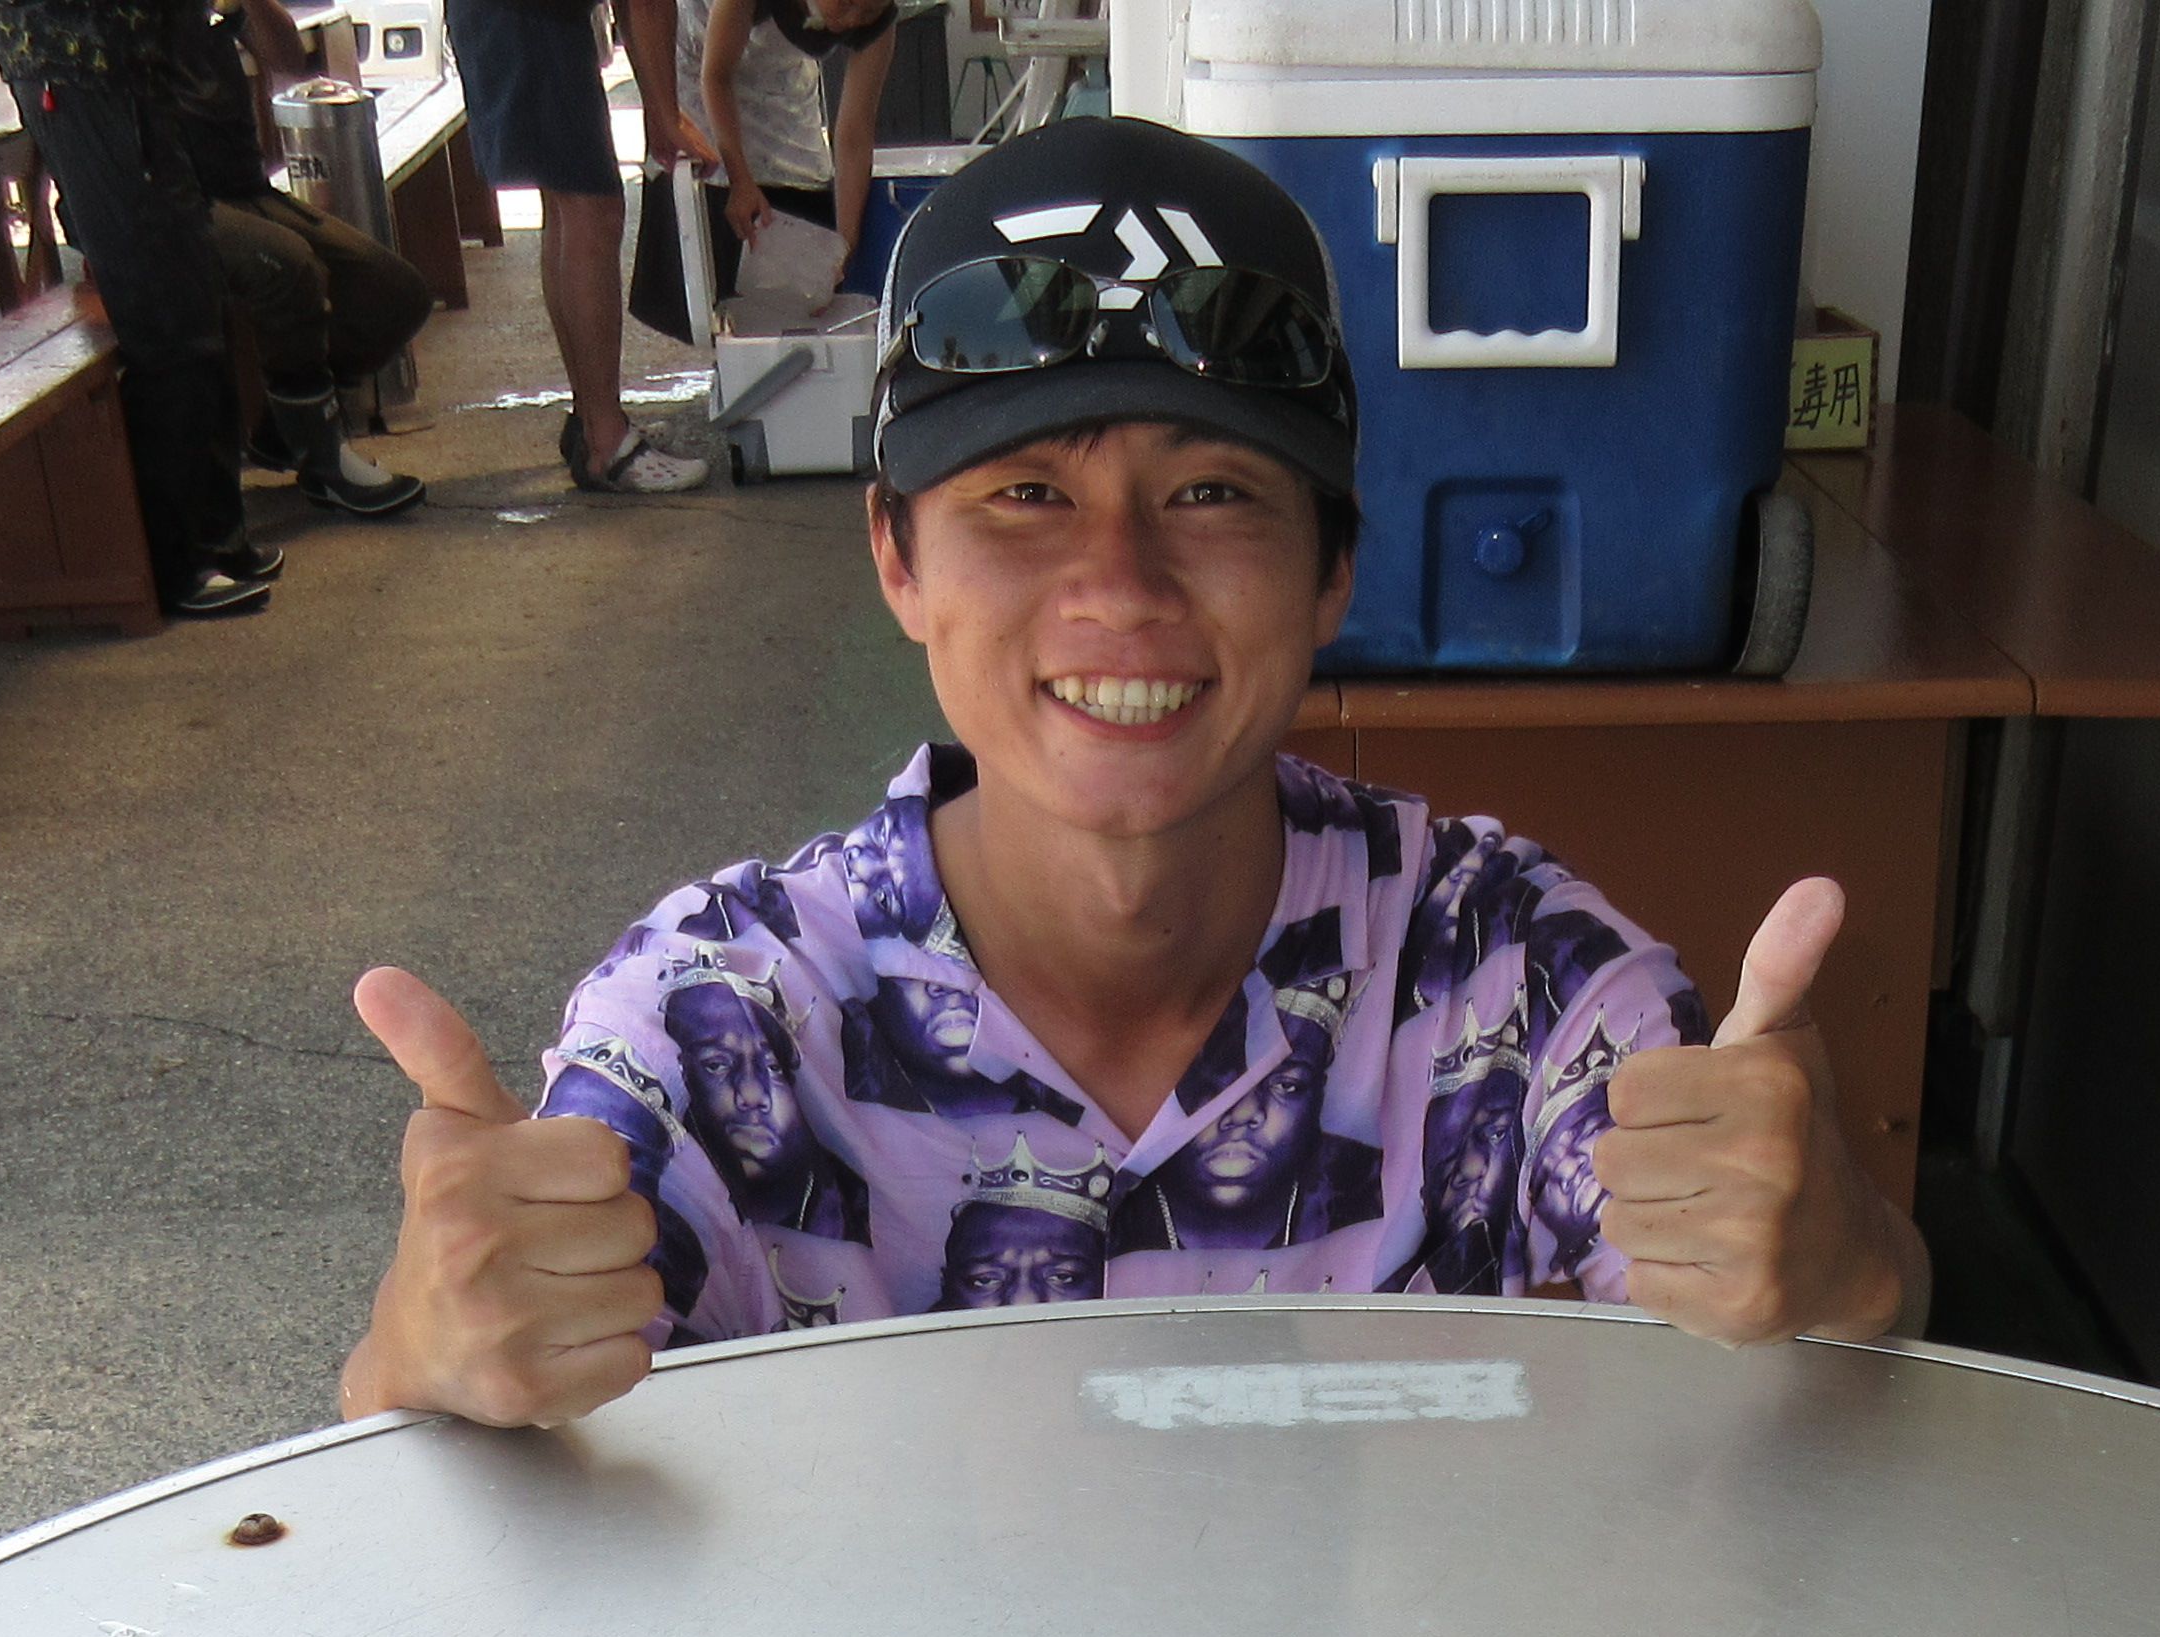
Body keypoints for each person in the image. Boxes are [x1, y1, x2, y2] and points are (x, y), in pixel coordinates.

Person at [338, 113, 1925, 1424]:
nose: (1121, 587)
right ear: (896, 558)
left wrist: (1842, 1250)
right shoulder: (723, 1021)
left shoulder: (1510, 978)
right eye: (1025, 494)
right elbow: (465, 1436)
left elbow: (1835, 1333)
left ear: (1333, 572)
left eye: (1215, 493)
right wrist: (420, 1351)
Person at [0, 0, 287, 615]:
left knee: (195, 296)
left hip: (125, 67)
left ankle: (217, 535)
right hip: (83, 67)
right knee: (166, 314)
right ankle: (176, 564)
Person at [442, 0, 709, 492]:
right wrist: (665, 113)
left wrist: (662, 109)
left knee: (567, 202)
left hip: (510, 18)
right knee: (592, 209)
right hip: (533, 21)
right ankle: (606, 441)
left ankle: (591, 417)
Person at [186, 0, 435, 520]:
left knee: (395, 291)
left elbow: (288, 60)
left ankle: (284, 432)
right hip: (164, 200)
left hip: (238, 185)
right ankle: (324, 459)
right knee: (286, 264)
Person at [675, 0, 900, 314]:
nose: (852, 20)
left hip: (780, 68)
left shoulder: (878, 20)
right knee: (721, 195)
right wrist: (741, 181)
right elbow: (716, 76)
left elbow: (854, 134)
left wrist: (843, 248)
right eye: (847, 3)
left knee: (801, 181)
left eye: (868, 12)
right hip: (702, 51)